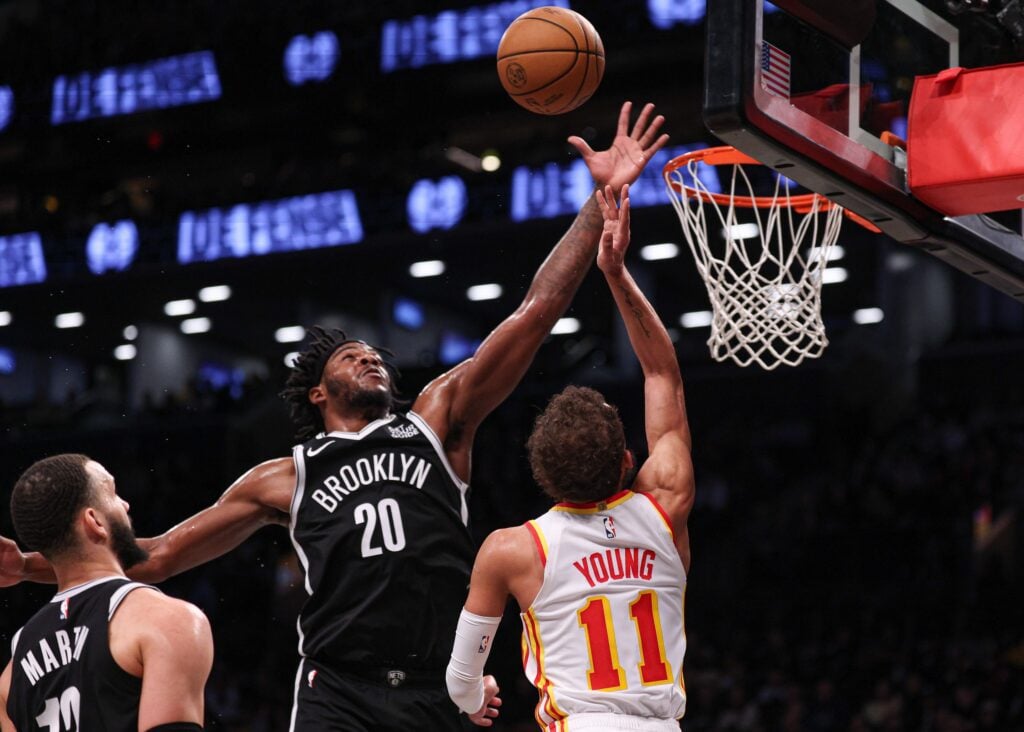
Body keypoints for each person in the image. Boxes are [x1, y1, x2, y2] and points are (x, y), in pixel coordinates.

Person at [0, 102, 669, 732]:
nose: (372, 360)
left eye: (375, 355)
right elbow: (159, 555)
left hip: (437, 684)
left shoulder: (434, 422)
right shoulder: (283, 478)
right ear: (318, 394)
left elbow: (535, 312)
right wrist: (36, 566)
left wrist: (600, 200)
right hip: (338, 688)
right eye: (352, 357)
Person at [445, 183, 694, 731]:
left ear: (544, 478)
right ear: (628, 462)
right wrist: (615, 271)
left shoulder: (512, 550)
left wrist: (472, 699)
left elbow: (461, 678)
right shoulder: (664, 504)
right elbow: (661, 373)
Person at [0, 454, 213, 732]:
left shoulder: (11, 675)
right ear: (94, 521)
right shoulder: (167, 621)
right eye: (112, 493)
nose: (125, 504)